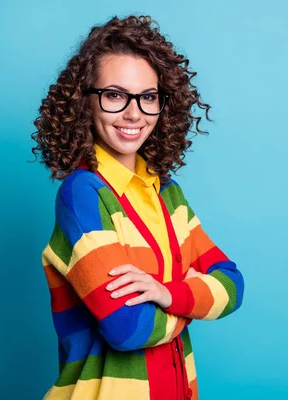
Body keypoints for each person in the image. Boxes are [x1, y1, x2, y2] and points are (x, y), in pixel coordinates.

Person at [31, 15, 244, 400]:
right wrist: (192, 296)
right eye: (115, 95)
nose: (135, 113)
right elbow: (128, 327)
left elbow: (232, 284)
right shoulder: (83, 194)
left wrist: (164, 294)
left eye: (148, 97)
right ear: (84, 100)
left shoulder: (168, 194)